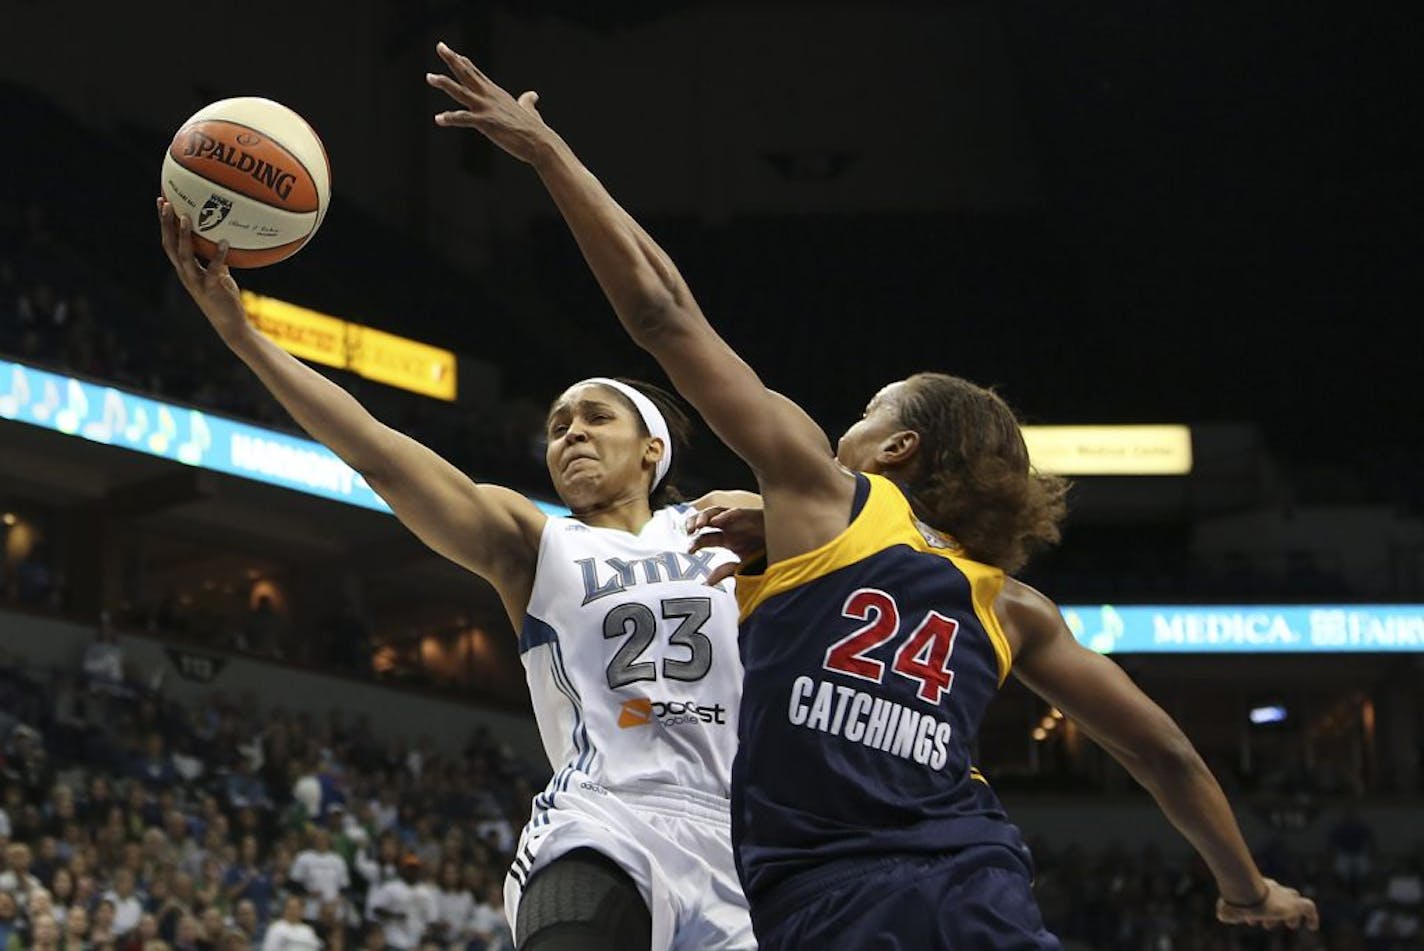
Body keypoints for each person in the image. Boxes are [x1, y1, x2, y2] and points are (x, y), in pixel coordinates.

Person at [427, 41, 1322, 948]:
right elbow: (1163, 750)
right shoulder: (1013, 606)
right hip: (981, 889)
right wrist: (1247, 889)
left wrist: (549, 153)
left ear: (897, 447)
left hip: (828, 906)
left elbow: (663, 313)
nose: (845, 422)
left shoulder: (827, 496)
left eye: (867, 410)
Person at [157, 196, 753, 951]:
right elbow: (377, 451)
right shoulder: (536, 541)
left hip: (736, 843)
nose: (570, 432)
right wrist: (244, 338)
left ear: (652, 451)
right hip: (606, 818)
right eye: (558, 425)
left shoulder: (730, 534)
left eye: (595, 418)